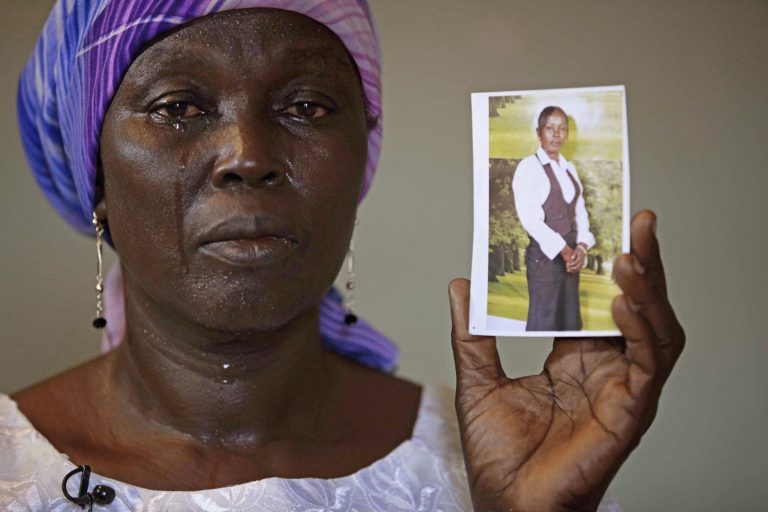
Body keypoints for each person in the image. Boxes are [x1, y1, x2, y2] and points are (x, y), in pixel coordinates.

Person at [1, 1, 685, 511]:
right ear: (96, 177)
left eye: (306, 105)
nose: (247, 156)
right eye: (178, 106)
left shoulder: (487, 460)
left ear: (361, 159)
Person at [512, 106, 595, 331]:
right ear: (539, 132)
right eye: (550, 128)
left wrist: (582, 247)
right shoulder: (529, 168)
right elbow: (531, 220)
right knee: (544, 324)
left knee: (570, 326)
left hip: (571, 262)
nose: (557, 134)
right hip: (545, 262)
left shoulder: (569, 169)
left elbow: (580, 212)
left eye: (562, 129)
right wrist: (565, 251)